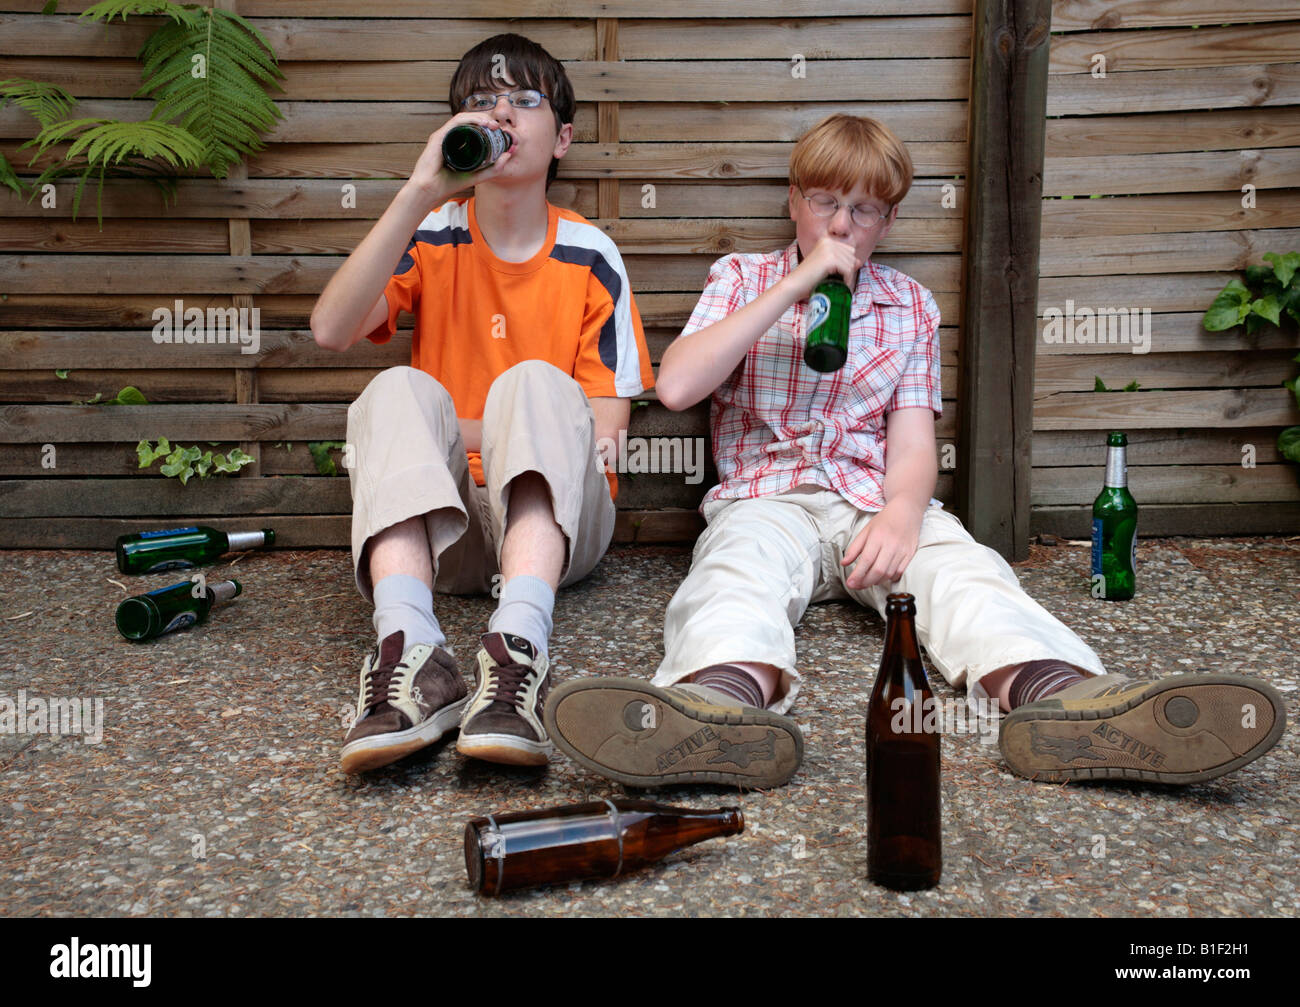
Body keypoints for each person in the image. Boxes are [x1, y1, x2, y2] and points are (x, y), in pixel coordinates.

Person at [544, 114, 1286, 789]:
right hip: (765, 499)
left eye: (863, 209)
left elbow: (912, 440)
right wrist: (799, 282)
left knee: (964, 571)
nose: (842, 222)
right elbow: (676, 385)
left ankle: (1072, 705)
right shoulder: (741, 278)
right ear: (793, 202)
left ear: (889, 219)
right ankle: (710, 715)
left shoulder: (908, 306)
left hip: (875, 501)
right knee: (734, 579)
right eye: (826, 202)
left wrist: (902, 513)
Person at [310, 34, 653, 775]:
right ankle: (410, 654)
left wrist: (499, 425)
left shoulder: (592, 255)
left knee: (533, 382)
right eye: (480, 102)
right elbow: (331, 328)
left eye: (525, 101)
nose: (501, 113)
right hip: (450, 528)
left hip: (557, 527)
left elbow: (602, 436)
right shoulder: (431, 234)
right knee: (395, 389)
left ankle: (518, 650)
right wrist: (418, 193)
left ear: (561, 138)